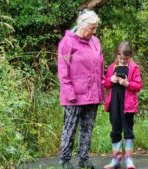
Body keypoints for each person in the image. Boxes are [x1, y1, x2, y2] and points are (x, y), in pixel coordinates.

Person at [57, 9, 103, 169]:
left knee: (87, 128)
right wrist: (70, 94)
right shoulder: (67, 43)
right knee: (69, 128)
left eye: (96, 28)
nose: (95, 31)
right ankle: (64, 160)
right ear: (83, 26)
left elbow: (99, 67)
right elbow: (63, 70)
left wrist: (101, 87)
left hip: (93, 94)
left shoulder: (95, 42)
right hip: (74, 96)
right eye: (92, 28)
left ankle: (84, 159)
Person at [103, 41, 143, 169]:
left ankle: (129, 159)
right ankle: (116, 159)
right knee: (115, 130)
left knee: (128, 130)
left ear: (130, 57)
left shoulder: (134, 68)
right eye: (120, 58)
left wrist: (127, 83)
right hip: (114, 103)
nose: (123, 61)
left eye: (125, 59)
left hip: (128, 105)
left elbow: (138, 85)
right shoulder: (111, 67)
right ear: (117, 56)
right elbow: (106, 84)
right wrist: (111, 80)